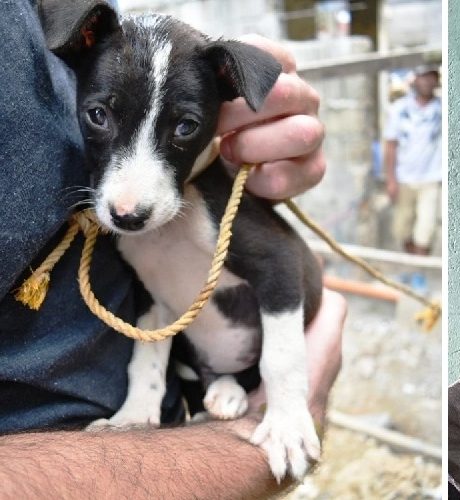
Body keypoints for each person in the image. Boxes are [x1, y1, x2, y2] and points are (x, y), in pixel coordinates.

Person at [0, 2, 343, 497]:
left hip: (216, 392)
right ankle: (205, 388)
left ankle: (230, 384)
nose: (128, 203)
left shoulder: (208, 205)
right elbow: (153, 304)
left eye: (184, 127)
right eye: (100, 116)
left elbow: (279, 267)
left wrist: (287, 399)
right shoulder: (87, 41)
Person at [383, 65, 442, 256]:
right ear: (415, 79)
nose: (426, 81)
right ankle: (414, 266)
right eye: (422, 76)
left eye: (430, 76)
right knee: (402, 229)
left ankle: (420, 272)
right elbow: (391, 145)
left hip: (431, 179)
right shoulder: (400, 109)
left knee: (426, 229)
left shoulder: (442, 109)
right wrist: (391, 179)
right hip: (404, 179)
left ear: (436, 79)